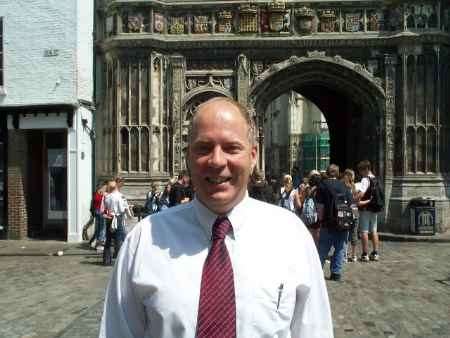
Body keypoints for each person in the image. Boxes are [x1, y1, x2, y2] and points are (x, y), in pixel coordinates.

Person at [99, 97, 333, 337]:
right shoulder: (145, 239)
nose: (217, 161)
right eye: (204, 148)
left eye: (232, 148)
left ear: (253, 156)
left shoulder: (290, 236)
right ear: (188, 156)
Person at [316, 164, 353, 281]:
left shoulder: (322, 185)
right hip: (343, 223)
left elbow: (320, 206)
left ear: (327, 172)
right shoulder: (344, 186)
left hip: (328, 221)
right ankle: (336, 273)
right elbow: (351, 205)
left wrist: (320, 220)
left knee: (323, 248)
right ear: (338, 173)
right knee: (340, 248)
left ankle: (317, 271)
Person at [357, 160, 380, 262]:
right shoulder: (375, 178)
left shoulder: (365, 180)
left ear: (366, 169)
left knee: (364, 231)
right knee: (374, 230)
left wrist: (355, 197)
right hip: (374, 207)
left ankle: (365, 253)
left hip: (366, 208)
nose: (360, 173)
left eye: (361, 171)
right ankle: (375, 253)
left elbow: (361, 194)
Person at [102, 180, 129, 266]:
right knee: (118, 240)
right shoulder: (120, 196)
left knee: (108, 240)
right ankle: (118, 261)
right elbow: (121, 209)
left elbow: (104, 208)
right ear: (116, 187)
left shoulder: (107, 197)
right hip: (117, 218)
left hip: (109, 218)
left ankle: (106, 260)